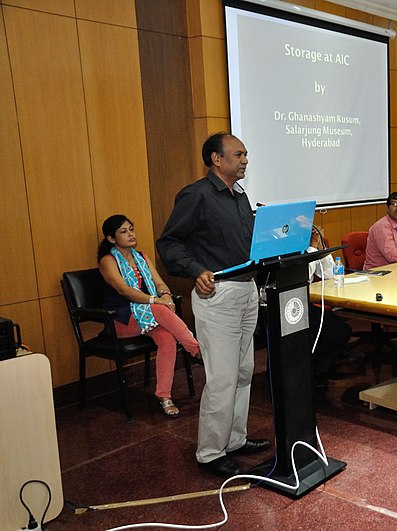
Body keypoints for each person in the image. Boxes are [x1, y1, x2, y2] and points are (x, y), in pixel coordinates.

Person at [157, 132, 269, 478]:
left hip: (247, 291)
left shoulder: (239, 194)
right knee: (221, 377)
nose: (245, 160)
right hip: (216, 295)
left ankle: (234, 439)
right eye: (238, 155)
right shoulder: (196, 195)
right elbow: (169, 243)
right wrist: (195, 270)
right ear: (216, 159)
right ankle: (210, 451)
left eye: (246, 154)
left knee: (243, 370)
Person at [98, 215, 200, 419]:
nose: (130, 234)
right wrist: (156, 300)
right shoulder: (107, 261)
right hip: (121, 320)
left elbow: (160, 283)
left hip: (146, 317)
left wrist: (165, 295)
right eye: (123, 231)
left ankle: (164, 396)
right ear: (111, 238)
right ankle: (196, 350)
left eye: (131, 229)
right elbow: (124, 291)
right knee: (160, 310)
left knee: (167, 339)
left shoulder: (142, 257)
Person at [306, 227, 353, 388]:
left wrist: (321, 249)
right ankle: (312, 371)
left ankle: (319, 370)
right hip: (289, 307)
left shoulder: (309, 245)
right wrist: (312, 247)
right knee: (337, 331)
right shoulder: (286, 247)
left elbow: (330, 275)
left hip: (307, 304)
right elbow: (302, 276)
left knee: (341, 330)